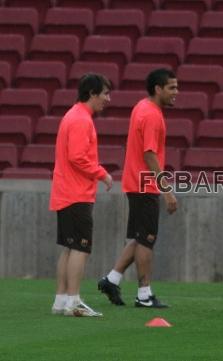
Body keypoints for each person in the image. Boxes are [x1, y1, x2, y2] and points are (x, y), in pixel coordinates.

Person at [98, 68, 178, 308]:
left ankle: (111, 279)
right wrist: (167, 190)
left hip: (135, 181)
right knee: (147, 240)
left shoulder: (141, 107)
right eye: (172, 88)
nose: (176, 92)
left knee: (139, 237)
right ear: (158, 89)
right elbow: (150, 154)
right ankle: (144, 295)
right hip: (145, 184)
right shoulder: (152, 115)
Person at [50, 73, 113, 317]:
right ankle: (74, 301)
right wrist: (102, 173)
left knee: (69, 247)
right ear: (92, 94)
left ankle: (61, 300)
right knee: (81, 248)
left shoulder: (73, 116)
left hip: (66, 191)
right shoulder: (81, 120)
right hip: (76, 193)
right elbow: (77, 157)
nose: (108, 99)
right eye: (105, 93)